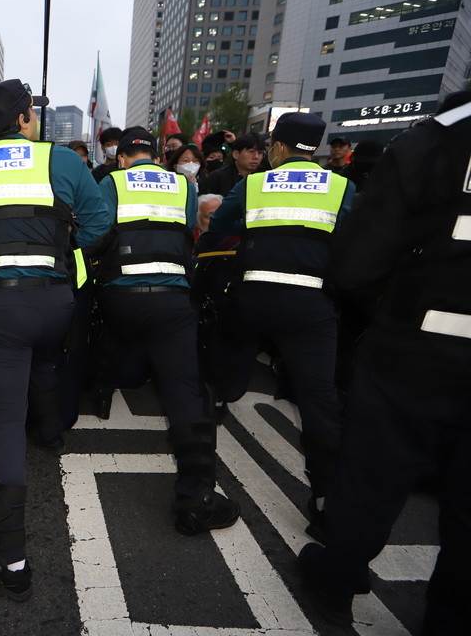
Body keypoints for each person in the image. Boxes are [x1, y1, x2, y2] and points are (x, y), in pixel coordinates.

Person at [298, 91, 471, 635]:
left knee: (372, 480)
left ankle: (335, 581)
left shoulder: (434, 140)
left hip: (413, 351)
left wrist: (387, 310)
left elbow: (354, 267)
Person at [0, 79, 109, 600]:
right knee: (45, 361)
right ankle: (51, 432)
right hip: (57, 301)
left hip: (1, 305)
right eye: (32, 112)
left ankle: (12, 561)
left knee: (1, 421)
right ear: (22, 118)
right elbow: (99, 222)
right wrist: (63, 248)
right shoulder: (59, 159)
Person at [206, 112, 356, 542]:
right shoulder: (341, 186)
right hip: (311, 305)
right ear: (316, 148)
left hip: (253, 296)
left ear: (278, 146)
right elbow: (352, 237)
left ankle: (216, 409)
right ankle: (325, 500)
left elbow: (221, 224)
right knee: (320, 400)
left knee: (226, 358)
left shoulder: (255, 184)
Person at [91, 128, 240, 535]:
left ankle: (100, 392)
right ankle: (197, 495)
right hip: (173, 300)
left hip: (121, 295)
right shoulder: (184, 185)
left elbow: (98, 233)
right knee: (185, 391)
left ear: (122, 158)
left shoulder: (113, 182)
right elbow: (187, 232)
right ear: (156, 156)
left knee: (112, 339)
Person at [198, 132, 265, 197]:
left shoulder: (264, 178)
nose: (256, 157)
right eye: (251, 152)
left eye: (260, 152)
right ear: (236, 154)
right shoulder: (217, 177)